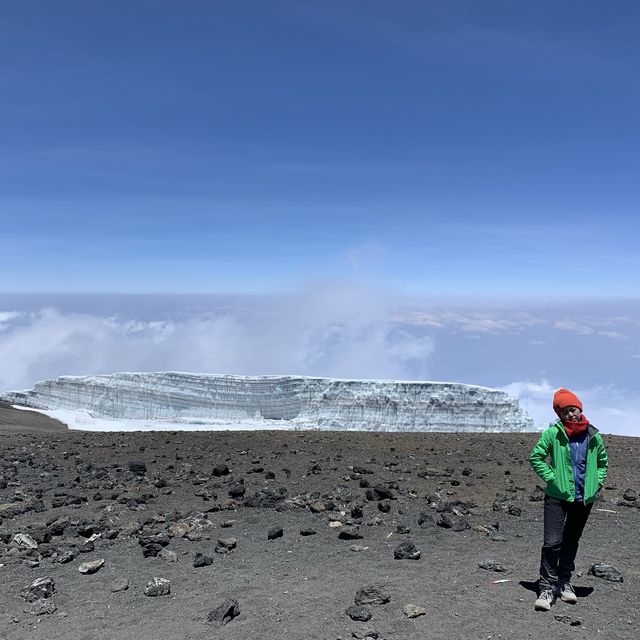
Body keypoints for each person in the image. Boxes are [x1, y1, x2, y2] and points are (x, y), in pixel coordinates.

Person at [529, 388, 608, 611]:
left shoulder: (593, 435)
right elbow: (536, 457)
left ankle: (564, 583)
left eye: (572, 409)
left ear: (579, 409)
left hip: (584, 498)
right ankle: (546, 587)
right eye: (564, 412)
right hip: (557, 496)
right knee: (552, 542)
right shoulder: (553, 434)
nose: (570, 415)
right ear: (559, 415)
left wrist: (597, 482)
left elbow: (602, 463)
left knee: (571, 540)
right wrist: (552, 478)